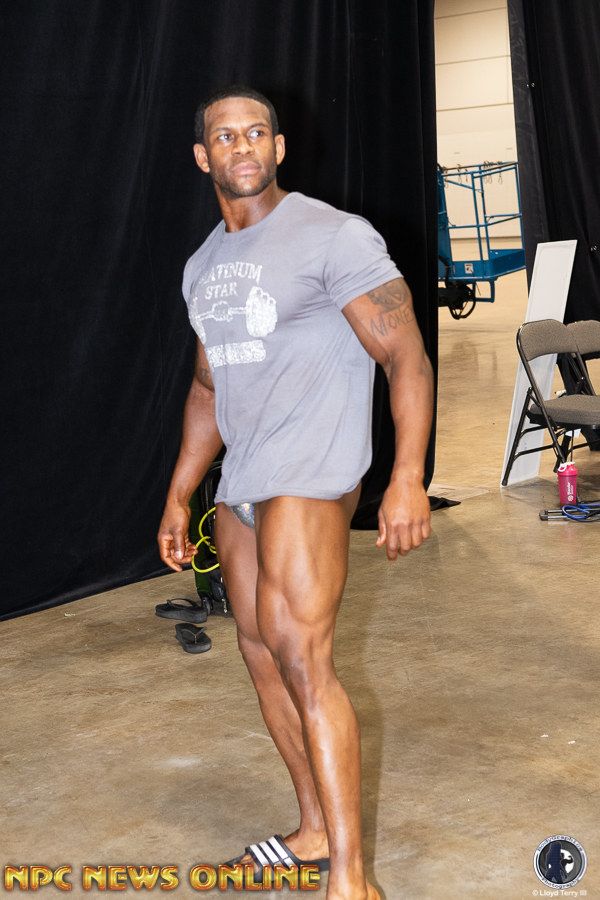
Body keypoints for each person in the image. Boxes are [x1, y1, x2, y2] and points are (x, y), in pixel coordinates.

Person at [158, 85, 434, 900]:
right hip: (244, 479)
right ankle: (312, 829)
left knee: (305, 661)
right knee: (261, 655)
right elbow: (208, 386)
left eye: (257, 132)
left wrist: (408, 476)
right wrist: (180, 492)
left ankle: (352, 879)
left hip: (313, 472)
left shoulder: (333, 235)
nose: (242, 145)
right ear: (203, 157)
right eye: (225, 136)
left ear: (278, 148)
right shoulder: (202, 266)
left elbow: (405, 355)